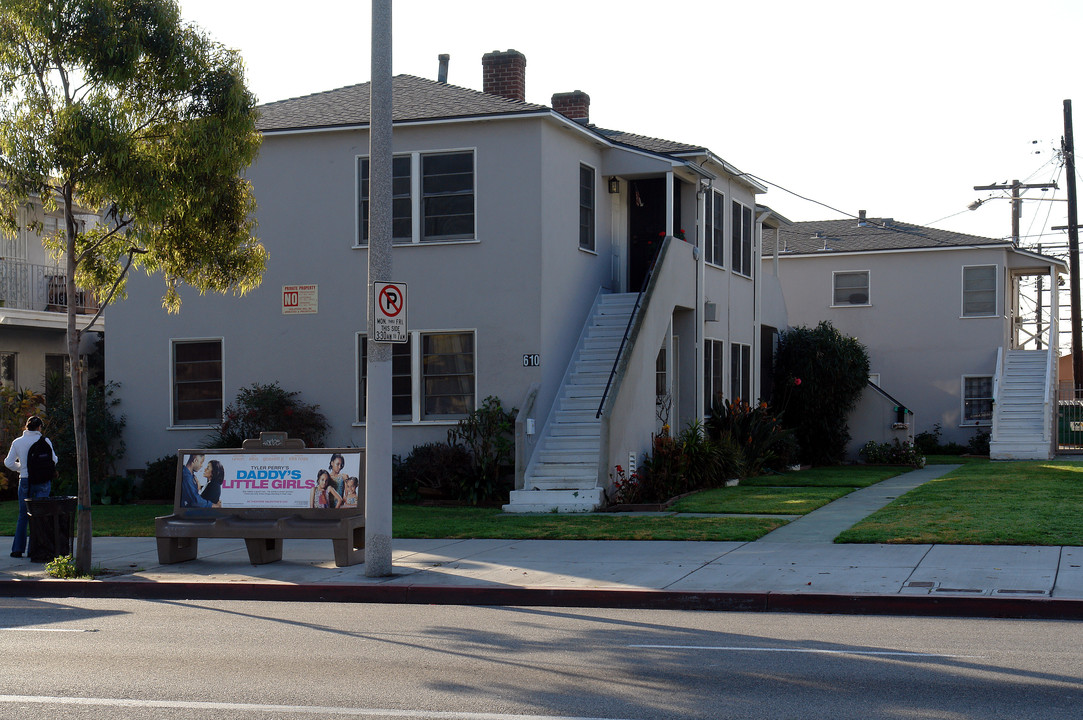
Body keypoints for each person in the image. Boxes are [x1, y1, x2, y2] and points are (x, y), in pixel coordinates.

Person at [5, 416, 58, 558]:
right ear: (39, 427)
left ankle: (17, 549)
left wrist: (21, 468)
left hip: (25, 480)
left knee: (23, 515)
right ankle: (36, 548)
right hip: (42, 481)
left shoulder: (17, 442)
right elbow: (54, 460)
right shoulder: (45, 441)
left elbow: (8, 462)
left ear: (26, 426)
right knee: (40, 516)